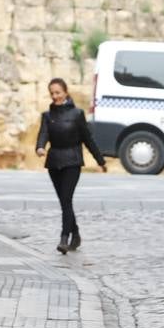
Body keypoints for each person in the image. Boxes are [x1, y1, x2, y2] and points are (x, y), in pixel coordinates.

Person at [36, 77, 107, 254]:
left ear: (66, 92)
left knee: (66, 199)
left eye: (58, 92)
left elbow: (87, 139)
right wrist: (40, 147)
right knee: (64, 201)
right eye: (52, 93)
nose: (55, 96)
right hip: (54, 163)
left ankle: (64, 238)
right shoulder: (47, 116)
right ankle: (75, 234)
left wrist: (100, 161)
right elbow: (43, 134)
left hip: (72, 161)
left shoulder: (77, 114)